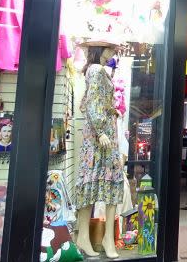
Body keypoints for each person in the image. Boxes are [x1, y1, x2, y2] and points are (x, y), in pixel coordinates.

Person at [73, 39, 125, 259]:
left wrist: (113, 113)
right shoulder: (95, 70)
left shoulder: (99, 70)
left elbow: (96, 101)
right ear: (101, 49)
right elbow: (93, 102)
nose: (114, 51)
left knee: (106, 183)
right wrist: (101, 130)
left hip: (104, 135)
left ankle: (101, 237)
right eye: (111, 47)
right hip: (99, 139)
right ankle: (89, 237)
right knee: (99, 182)